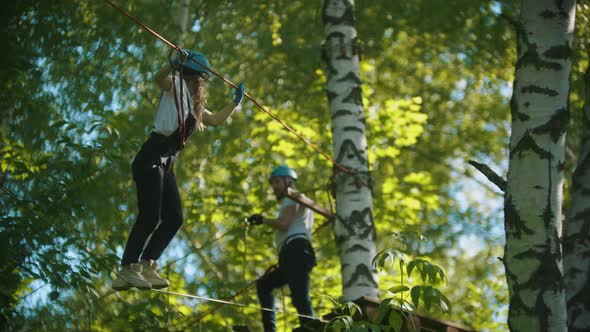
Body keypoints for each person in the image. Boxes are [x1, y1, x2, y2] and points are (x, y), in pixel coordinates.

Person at [112, 49, 245, 291]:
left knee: (174, 218)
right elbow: (158, 79)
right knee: (150, 215)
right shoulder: (176, 84)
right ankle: (127, 268)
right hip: (151, 155)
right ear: (192, 75)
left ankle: (148, 263)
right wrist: (172, 65)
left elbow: (214, 120)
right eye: (200, 78)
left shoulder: (193, 105)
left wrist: (235, 103)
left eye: (201, 81)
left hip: (167, 161)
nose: (201, 84)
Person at [248, 165, 317, 331]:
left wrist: (263, 220)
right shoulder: (298, 199)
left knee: (299, 296)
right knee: (264, 285)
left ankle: (309, 327)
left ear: (289, 181)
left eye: (277, 182)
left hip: (295, 250)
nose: (274, 187)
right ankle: (272, 329)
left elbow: (284, 224)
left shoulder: (292, 196)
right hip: (294, 253)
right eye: (273, 183)